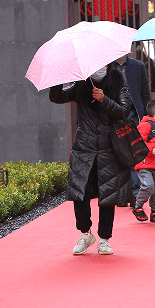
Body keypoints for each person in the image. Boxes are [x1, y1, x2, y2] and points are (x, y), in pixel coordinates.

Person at [49, 62, 133, 255]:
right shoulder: (81, 82)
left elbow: (124, 111)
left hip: (109, 147)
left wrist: (104, 99)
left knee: (108, 195)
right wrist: (58, 80)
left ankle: (104, 239)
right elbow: (57, 97)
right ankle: (85, 233)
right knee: (80, 193)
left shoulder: (117, 79)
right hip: (83, 148)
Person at [116, 47, 152, 206]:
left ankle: (136, 192)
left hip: (134, 115)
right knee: (118, 154)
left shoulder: (138, 66)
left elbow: (145, 93)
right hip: (115, 115)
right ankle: (122, 194)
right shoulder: (108, 68)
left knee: (135, 152)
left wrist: (147, 116)